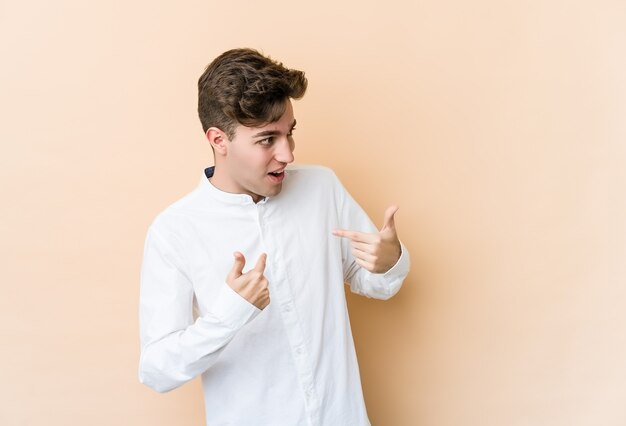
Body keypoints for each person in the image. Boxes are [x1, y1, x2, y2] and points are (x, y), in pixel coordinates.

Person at [139, 48, 410, 426]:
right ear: (219, 140)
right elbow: (157, 370)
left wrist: (390, 260)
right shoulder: (175, 232)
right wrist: (230, 315)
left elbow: (379, 284)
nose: (288, 153)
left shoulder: (322, 189)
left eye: (290, 133)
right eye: (268, 140)